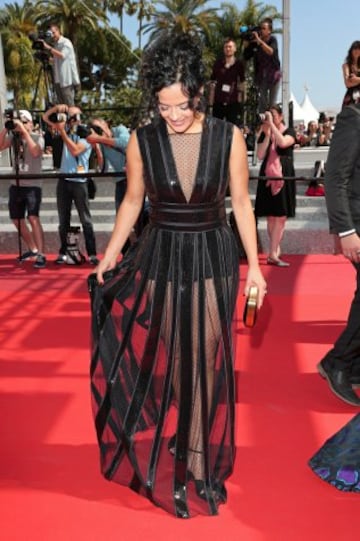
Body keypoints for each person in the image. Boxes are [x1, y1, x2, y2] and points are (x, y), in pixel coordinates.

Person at [88, 31, 266, 518]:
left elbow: (243, 205)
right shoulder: (143, 142)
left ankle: (196, 458)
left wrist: (256, 268)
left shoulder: (229, 137)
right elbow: (131, 202)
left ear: (198, 92)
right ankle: (187, 440)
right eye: (164, 107)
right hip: (162, 257)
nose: (173, 116)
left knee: (203, 359)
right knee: (180, 358)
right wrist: (109, 255)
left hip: (213, 256)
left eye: (182, 104)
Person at [316, 103, 360, 407]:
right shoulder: (353, 117)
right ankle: (339, 363)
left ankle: (347, 363)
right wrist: (345, 231)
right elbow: (334, 177)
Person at [43, 103, 98, 265]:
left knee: (86, 219)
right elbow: (45, 118)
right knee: (63, 219)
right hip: (64, 180)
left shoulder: (86, 135)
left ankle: (92, 253)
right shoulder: (65, 129)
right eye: (69, 116)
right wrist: (57, 109)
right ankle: (63, 252)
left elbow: (75, 150)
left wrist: (61, 132)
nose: (71, 120)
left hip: (79, 182)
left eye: (74, 116)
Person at [0, 110, 46, 268]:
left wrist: (25, 132)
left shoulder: (37, 137)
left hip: (32, 185)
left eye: (25, 122)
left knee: (33, 218)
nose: (21, 125)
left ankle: (41, 254)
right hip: (16, 184)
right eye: (20, 122)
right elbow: (0, 147)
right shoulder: (14, 138)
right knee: (16, 219)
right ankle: (32, 249)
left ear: (31, 124)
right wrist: (6, 128)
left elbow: (35, 152)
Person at [254, 104, 296, 267]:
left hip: (283, 174)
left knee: (281, 216)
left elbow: (283, 143)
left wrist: (272, 126)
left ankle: (273, 251)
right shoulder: (265, 132)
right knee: (272, 216)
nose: (270, 118)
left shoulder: (289, 131)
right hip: (268, 174)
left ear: (281, 116)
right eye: (268, 115)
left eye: (273, 115)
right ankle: (273, 252)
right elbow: (260, 154)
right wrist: (266, 132)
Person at [243, 17, 281, 113]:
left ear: (269, 31)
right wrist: (247, 45)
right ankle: (262, 123)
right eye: (260, 28)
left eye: (264, 28)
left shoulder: (273, 40)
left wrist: (259, 41)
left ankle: (273, 121)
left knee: (272, 104)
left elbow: (271, 51)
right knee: (262, 103)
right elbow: (246, 56)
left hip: (274, 76)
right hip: (262, 76)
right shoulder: (255, 43)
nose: (261, 30)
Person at [40, 23, 80, 106]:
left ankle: (74, 119)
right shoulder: (56, 45)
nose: (52, 35)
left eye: (53, 33)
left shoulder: (66, 42)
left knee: (70, 106)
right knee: (62, 107)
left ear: (58, 31)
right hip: (58, 81)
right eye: (51, 34)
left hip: (66, 80)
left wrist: (47, 47)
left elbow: (62, 55)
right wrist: (46, 58)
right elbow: (56, 61)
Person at [209, 38, 245, 126]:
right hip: (218, 102)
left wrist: (241, 101)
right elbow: (212, 82)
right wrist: (210, 102)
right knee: (216, 129)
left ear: (235, 49)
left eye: (230, 47)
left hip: (233, 102)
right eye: (226, 47)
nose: (228, 49)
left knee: (232, 130)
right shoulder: (217, 64)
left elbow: (242, 83)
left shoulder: (239, 64)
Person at [342, 40, 360, 108]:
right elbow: (347, 84)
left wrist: (355, 79)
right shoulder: (346, 66)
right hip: (351, 96)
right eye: (355, 48)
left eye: (359, 49)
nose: (357, 51)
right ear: (351, 50)